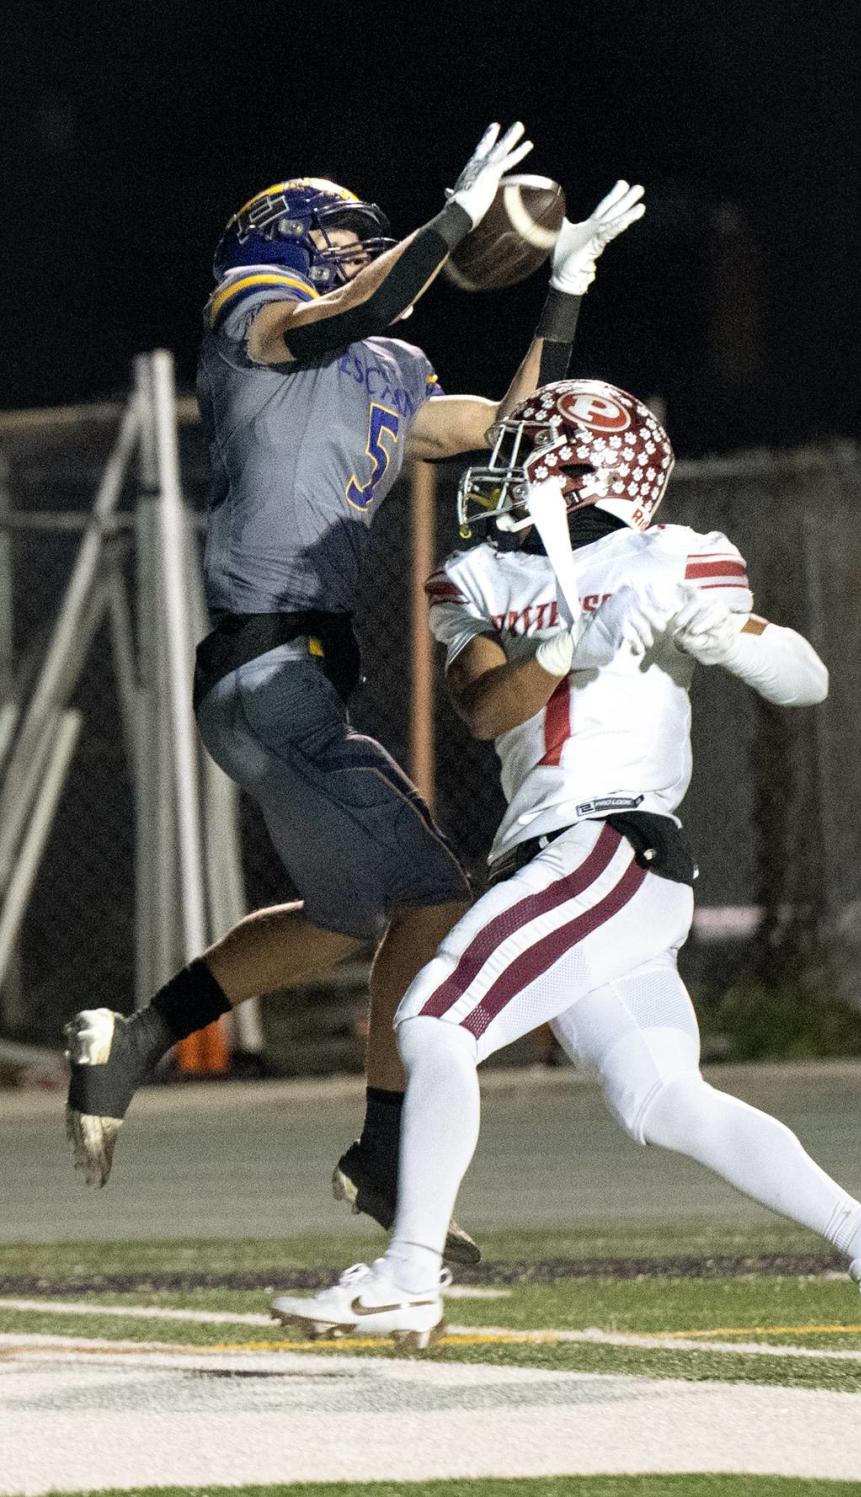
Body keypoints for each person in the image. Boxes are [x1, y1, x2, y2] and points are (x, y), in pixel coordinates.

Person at [270, 377, 861, 1369]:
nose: (493, 475)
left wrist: (726, 634)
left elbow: (807, 678)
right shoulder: (483, 578)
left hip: (611, 845)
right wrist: (566, 646)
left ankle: (410, 1279)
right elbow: (488, 710)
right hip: (571, 863)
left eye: (518, 453)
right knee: (661, 1097)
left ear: (576, 469)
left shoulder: (676, 558)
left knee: (432, 1017)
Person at [63, 125, 647, 1265]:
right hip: (265, 667)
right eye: (343, 235)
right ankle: (383, 1153)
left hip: (294, 687)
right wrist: (440, 230)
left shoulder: (391, 372)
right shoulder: (257, 321)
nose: (358, 248)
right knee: (433, 891)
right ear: (287, 241)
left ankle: (133, 1042)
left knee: (344, 916)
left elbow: (515, 441)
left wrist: (564, 289)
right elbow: (343, 312)